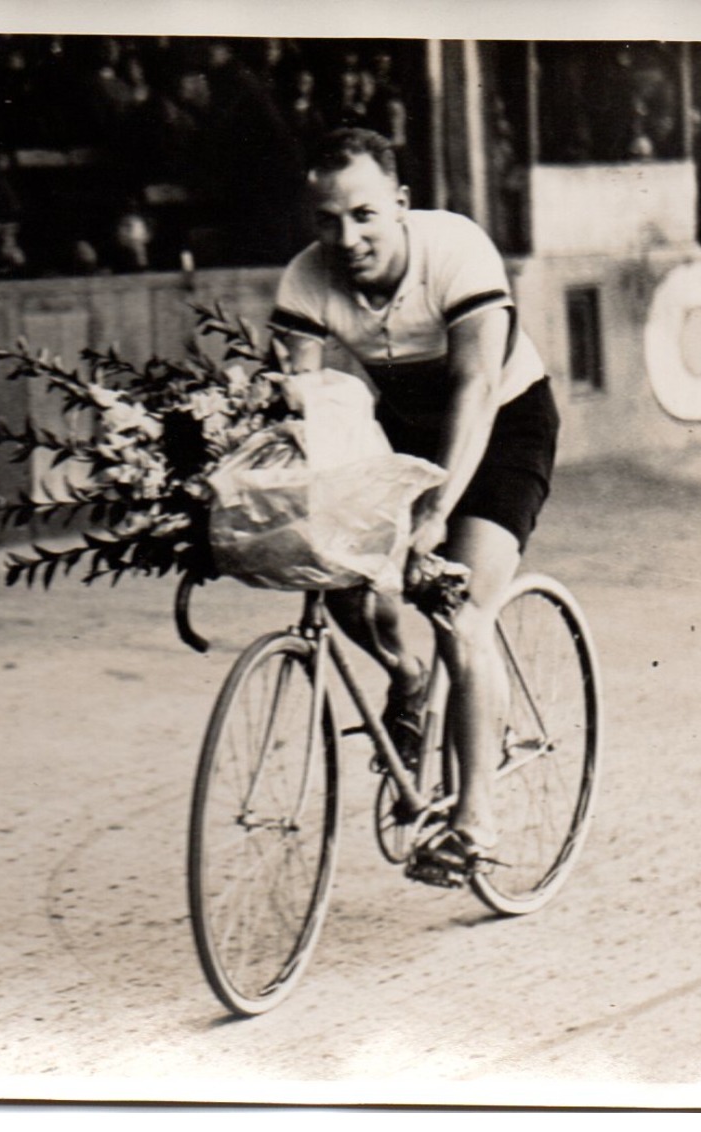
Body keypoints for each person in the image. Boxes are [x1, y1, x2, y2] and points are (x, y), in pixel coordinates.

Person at [268, 127, 560, 880]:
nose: (348, 237)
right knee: (338, 588)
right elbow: (298, 408)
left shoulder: (456, 250)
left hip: (502, 425)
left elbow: (476, 388)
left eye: (364, 215)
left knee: (461, 606)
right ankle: (405, 677)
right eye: (328, 220)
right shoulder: (306, 279)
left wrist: (436, 514)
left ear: (400, 205)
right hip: (400, 431)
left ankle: (475, 822)